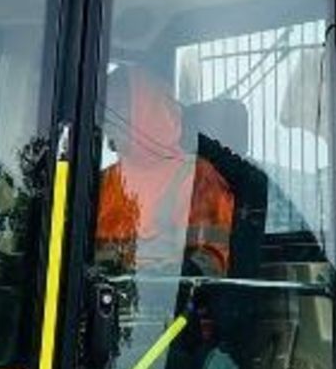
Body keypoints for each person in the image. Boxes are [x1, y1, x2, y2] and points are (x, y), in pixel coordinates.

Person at [94, 62, 234, 278]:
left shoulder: (196, 178)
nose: (106, 121)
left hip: (164, 308)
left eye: (119, 108)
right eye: (105, 110)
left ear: (146, 110)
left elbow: (207, 267)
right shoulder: (103, 181)